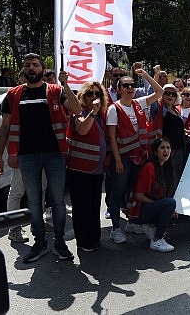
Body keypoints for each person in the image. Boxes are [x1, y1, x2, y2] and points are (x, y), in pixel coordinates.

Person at [0, 53, 81, 263]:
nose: (31, 67)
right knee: (34, 202)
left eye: (35, 64)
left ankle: (59, 243)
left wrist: (66, 83)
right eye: (27, 65)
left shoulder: (56, 90)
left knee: (58, 201)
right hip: (27, 157)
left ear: (42, 69)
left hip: (55, 155)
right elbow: (4, 126)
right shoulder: (13, 94)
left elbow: (77, 109)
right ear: (23, 70)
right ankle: (40, 242)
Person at [106, 66, 163, 244]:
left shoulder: (139, 103)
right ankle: (116, 228)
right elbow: (112, 137)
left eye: (132, 85)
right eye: (125, 86)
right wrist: (117, 160)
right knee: (117, 193)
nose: (130, 88)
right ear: (119, 89)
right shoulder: (114, 109)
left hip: (138, 157)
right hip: (123, 158)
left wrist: (145, 74)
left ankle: (131, 223)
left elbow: (159, 91)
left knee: (132, 192)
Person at [66, 81, 108, 252]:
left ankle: (93, 237)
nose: (94, 97)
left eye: (98, 94)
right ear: (82, 96)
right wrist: (92, 112)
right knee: (82, 207)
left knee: (93, 205)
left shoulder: (99, 115)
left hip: (96, 170)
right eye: (90, 94)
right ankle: (84, 241)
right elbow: (82, 130)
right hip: (80, 169)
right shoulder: (80, 112)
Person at [127, 137, 177, 252]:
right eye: (162, 148)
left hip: (153, 206)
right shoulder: (149, 167)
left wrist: (169, 209)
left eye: (168, 148)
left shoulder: (166, 168)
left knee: (181, 214)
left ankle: (152, 227)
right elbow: (139, 196)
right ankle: (157, 240)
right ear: (155, 151)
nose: (166, 151)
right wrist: (161, 206)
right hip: (140, 211)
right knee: (170, 203)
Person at [148, 84, 185, 190]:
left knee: (176, 178)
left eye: (173, 94)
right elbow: (151, 93)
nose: (170, 96)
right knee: (166, 179)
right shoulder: (158, 109)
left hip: (179, 150)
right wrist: (156, 74)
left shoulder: (176, 110)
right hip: (166, 151)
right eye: (167, 93)